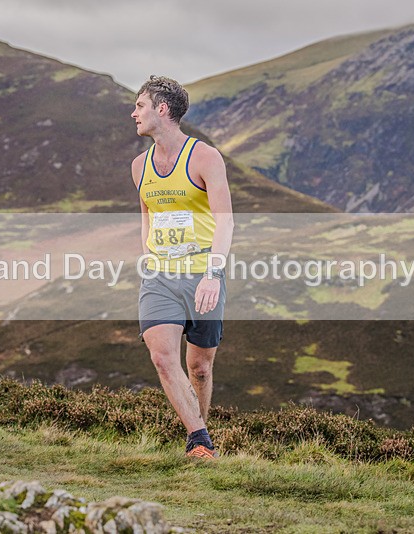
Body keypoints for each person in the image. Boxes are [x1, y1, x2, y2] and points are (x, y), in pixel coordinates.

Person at [130, 75, 234, 459]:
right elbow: (148, 217)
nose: (133, 113)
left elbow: (225, 221)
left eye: (139, 106)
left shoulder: (205, 157)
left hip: (203, 272)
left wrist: (213, 274)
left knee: (200, 367)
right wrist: (148, 258)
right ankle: (199, 440)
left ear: (162, 108)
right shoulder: (139, 167)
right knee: (161, 357)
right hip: (160, 276)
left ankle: (200, 430)